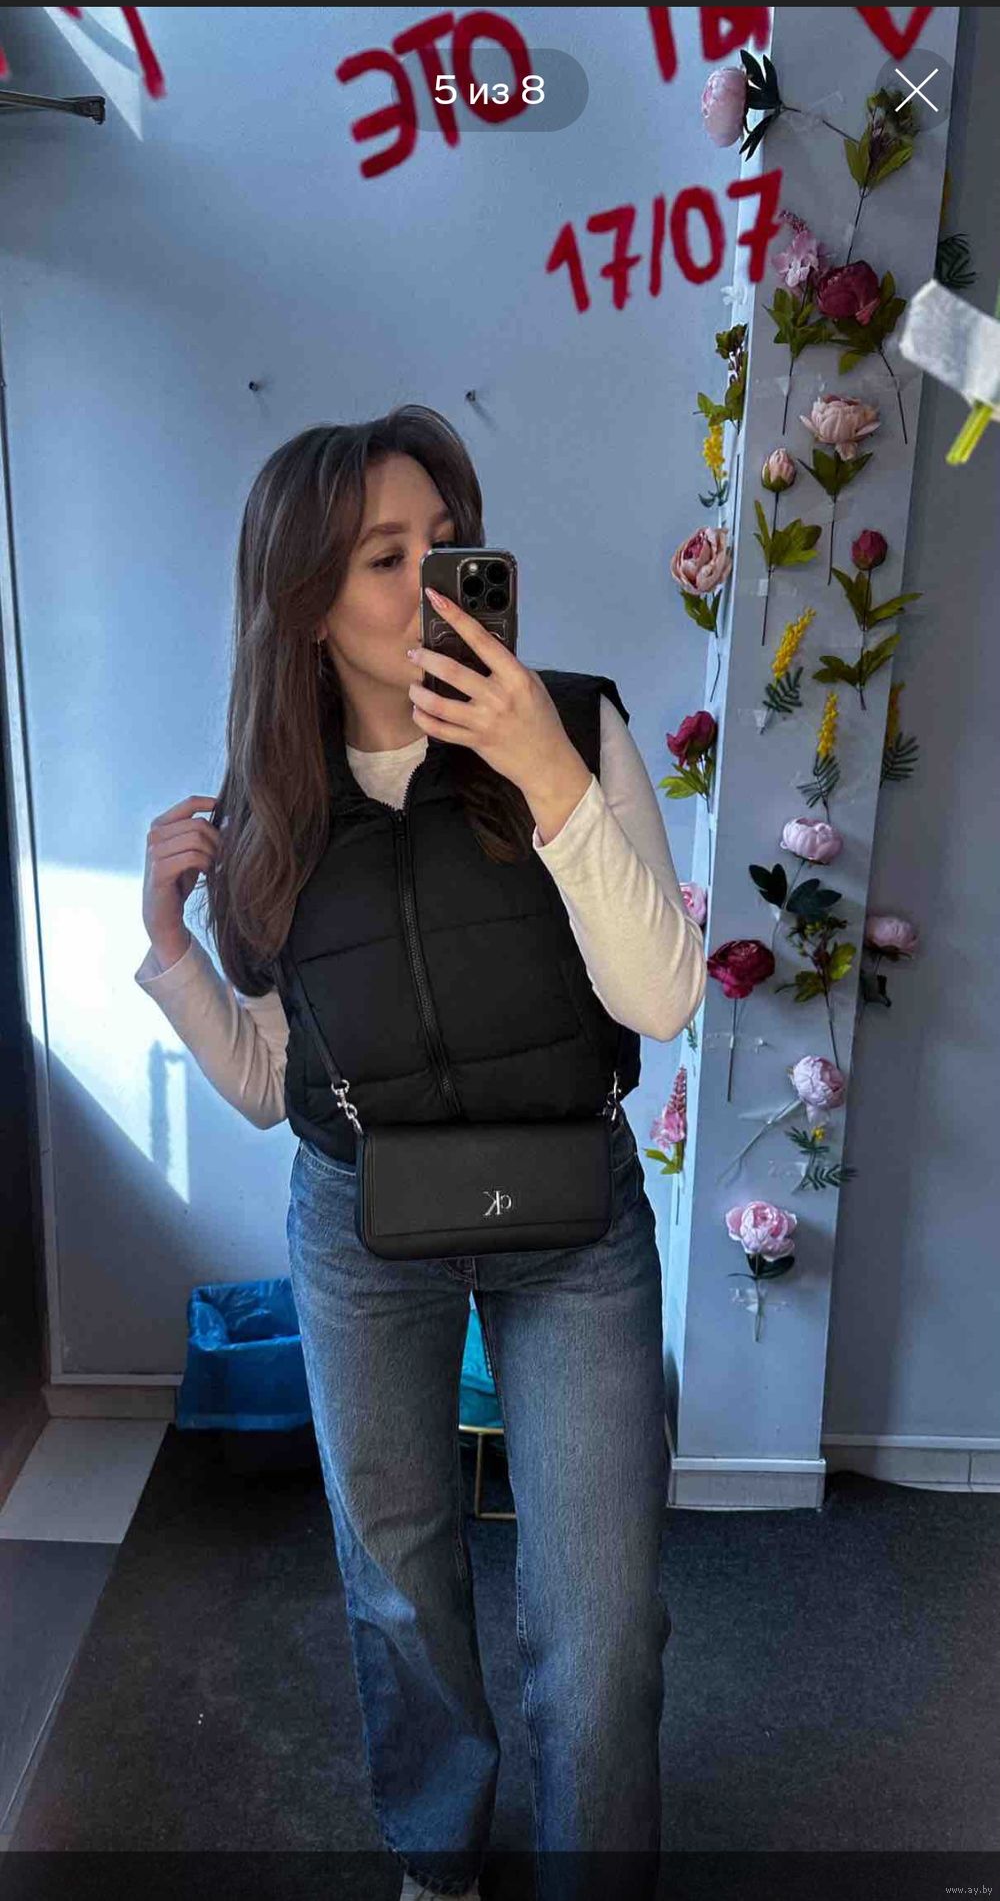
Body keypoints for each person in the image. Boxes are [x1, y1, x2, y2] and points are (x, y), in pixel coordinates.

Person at [138, 405, 707, 1901]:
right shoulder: (275, 802)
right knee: (396, 1589)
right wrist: (168, 948)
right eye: (384, 558)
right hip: (362, 1228)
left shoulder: (572, 725)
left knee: (601, 1627)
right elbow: (270, 1083)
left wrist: (547, 772)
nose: (429, 585)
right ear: (307, 601)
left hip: (572, 1229)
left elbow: (662, 998)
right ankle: (438, 1860)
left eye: (444, 546)